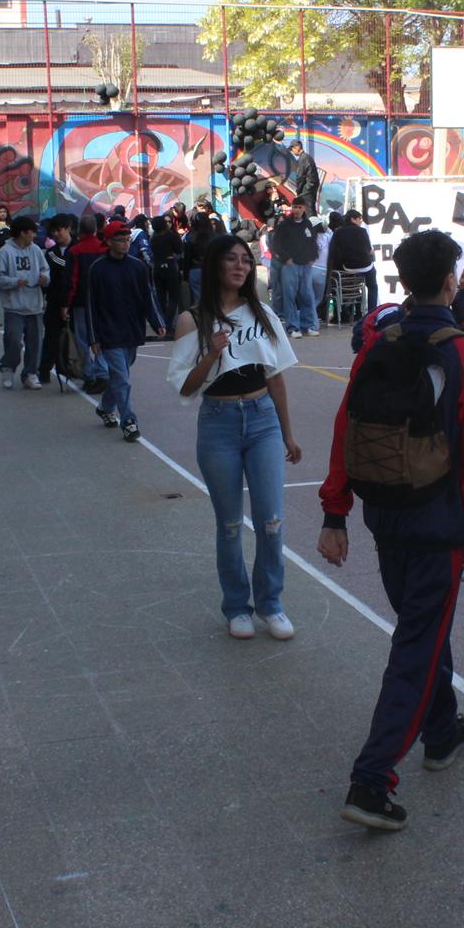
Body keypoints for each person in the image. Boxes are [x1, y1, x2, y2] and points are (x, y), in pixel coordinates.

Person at [317, 229, 464, 831]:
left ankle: (441, 731)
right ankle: (372, 779)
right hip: (439, 523)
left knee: (423, 626)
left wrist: (335, 512)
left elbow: (346, 429)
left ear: (402, 280)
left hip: (384, 515)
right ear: (450, 282)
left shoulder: (377, 343)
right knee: (417, 644)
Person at [170, 234, 302, 640]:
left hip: (262, 420)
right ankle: (236, 607)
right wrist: (211, 353)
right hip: (218, 423)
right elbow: (185, 386)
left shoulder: (262, 313)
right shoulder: (192, 319)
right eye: (232, 259)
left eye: (246, 260)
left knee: (271, 520)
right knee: (229, 523)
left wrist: (288, 434)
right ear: (215, 265)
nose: (241, 266)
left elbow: (275, 377)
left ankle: (271, 604)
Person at [86, 219, 167, 441]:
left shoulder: (138, 267)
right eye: (120, 240)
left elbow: (148, 297)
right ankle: (129, 422)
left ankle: (105, 407)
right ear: (108, 242)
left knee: (120, 376)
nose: (124, 244)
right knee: (122, 379)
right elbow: (91, 304)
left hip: (132, 330)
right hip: (109, 332)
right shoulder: (97, 269)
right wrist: (93, 337)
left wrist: (157, 321)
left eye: (127, 240)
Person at [0, 215, 49, 391]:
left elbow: (45, 269)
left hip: (34, 306)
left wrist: (44, 278)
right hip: (14, 307)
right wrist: (15, 282)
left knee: (35, 343)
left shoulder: (36, 250)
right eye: (32, 232)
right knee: (13, 341)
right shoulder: (4, 252)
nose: (35, 235)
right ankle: (8, 368)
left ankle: (30, 374)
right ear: (23, 233)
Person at [66, 213, 112, 394]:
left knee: (82, 340)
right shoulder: (104, 249)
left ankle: (89, 374)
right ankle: (103, 372)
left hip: (81, 301)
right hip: (103, 301)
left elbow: (72, 280)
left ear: (79, 229)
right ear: (95, 228)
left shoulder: (75, 251)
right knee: (102, 337)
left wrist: (66, 303)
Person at [270, 198, 321, 337]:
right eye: (295, 207)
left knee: (307, 295)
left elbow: (313, 242)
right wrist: (286, 258)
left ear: (304, 208)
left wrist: (313, 257)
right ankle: (293, 327)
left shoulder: (308, 224)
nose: (297, 210)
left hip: (306, 265)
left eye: (299, 207)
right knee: (290, 296)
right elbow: (276, 244)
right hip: (290, 265)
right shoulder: (284, 225)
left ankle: (308, 325)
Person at [37, 214, 76, 385]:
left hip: (74, 302)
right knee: (51, 338)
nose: (56, 234)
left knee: (74, 340)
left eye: (59, 230)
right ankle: (44, 370)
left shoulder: (78, 249)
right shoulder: (50, 253)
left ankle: (71, 369)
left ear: (68, 229)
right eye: (53, 231)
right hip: (54, 301)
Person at [326, 206, 378, 318]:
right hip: (365, 267)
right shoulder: (362, 231)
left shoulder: (338, 232)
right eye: (359, 219)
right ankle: (372, 314)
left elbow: (333, 251)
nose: (360, 221)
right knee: (373, 287)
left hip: (348, 268)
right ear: (353, 219)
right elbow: (369, 250)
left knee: (356, 283)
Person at [289, 139, 321, 210]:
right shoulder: (307, 157)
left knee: (308, 212)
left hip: (307, 191)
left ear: (297, 147)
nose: (292, 151)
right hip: (310, 189)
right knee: (310, 210)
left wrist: (298, 191)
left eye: (292, 149)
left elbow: (300, 177)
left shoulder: (302, 158)